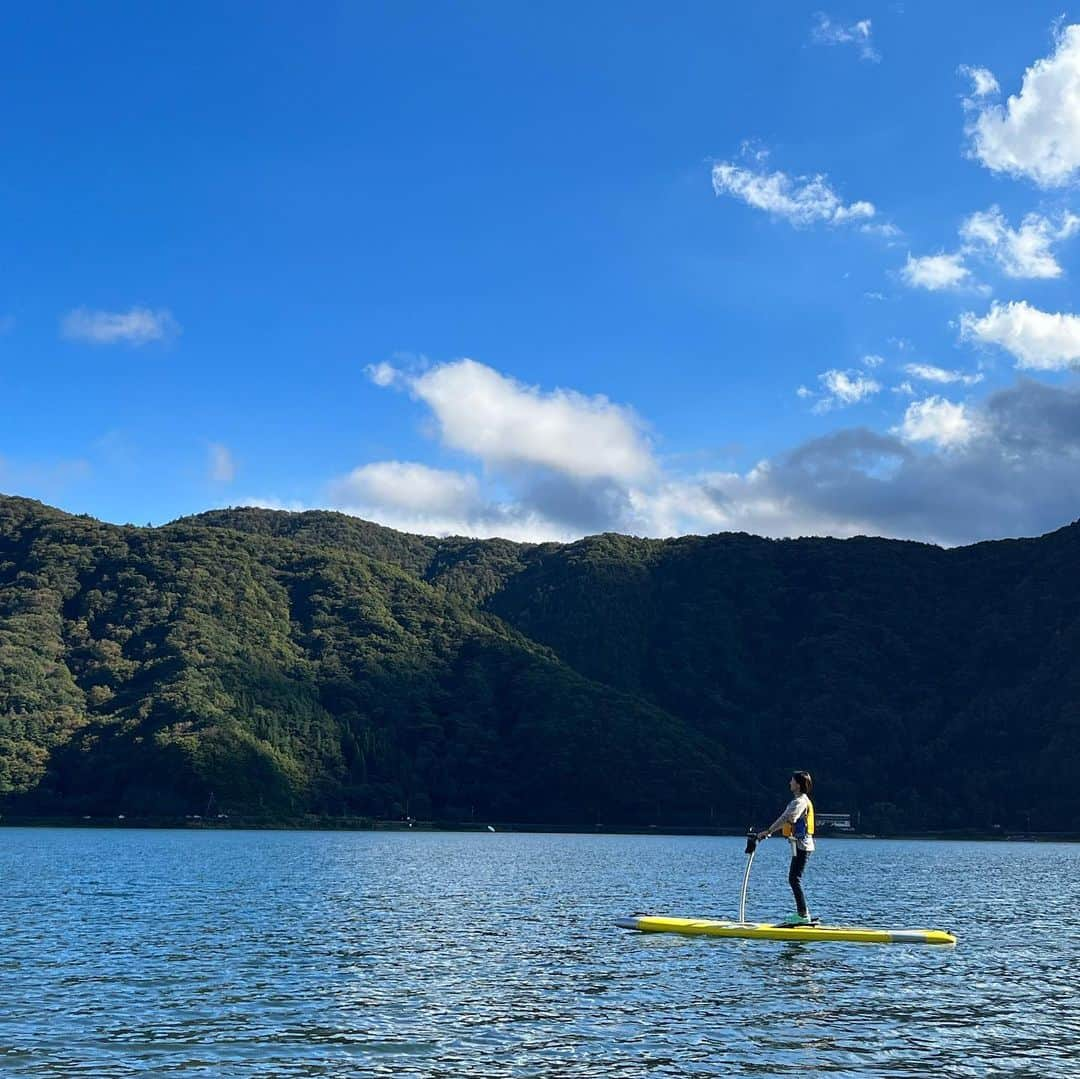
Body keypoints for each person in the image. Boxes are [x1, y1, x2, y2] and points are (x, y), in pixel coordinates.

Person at [757, 771, 815, 925]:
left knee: (794, 879)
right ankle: (803, 913)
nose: (790, 783)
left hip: (803, 846)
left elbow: (789, 818)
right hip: (800, 845)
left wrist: (768, 831)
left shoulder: (799, 802)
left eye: (792, 781)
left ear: (798, 784)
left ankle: (803, 915)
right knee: (794, 879)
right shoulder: (800, 800)